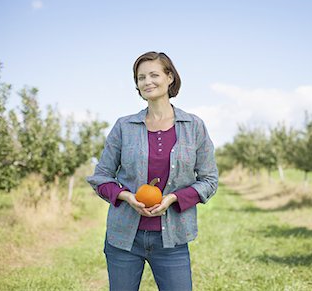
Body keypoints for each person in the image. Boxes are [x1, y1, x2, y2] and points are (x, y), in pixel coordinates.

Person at [87, 51, 218, 291]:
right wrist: (128, 197)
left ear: (170, 77)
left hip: (172, 240)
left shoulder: (194, 126)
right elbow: (101, 177)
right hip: (124, 238)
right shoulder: (124, 126)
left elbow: (209, 180)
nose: (147, 82)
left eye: (154, 75)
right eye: (141, 77)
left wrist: (173, 198)